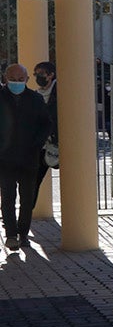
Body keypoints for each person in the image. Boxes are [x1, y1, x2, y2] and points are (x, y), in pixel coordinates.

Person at [0, 63, 51, 250]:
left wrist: (36, 144)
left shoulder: (35, 99)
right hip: (5, 159)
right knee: (7, 197)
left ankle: (23, 233)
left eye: (20, 79)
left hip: (29, 158)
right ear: (5, 78)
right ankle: (11, 234)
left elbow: (46, 124)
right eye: (13, 79)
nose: (16, 83)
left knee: (27, 198)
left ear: (27, 80)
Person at [32, 61, 58, 203]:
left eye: (41, 74)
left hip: (60, 143)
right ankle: (26, 215)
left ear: (51, 75)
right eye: (35, 74)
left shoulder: (61, 91)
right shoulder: (36, 95)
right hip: (42, 145)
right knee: (33, 180)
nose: (37, 77)